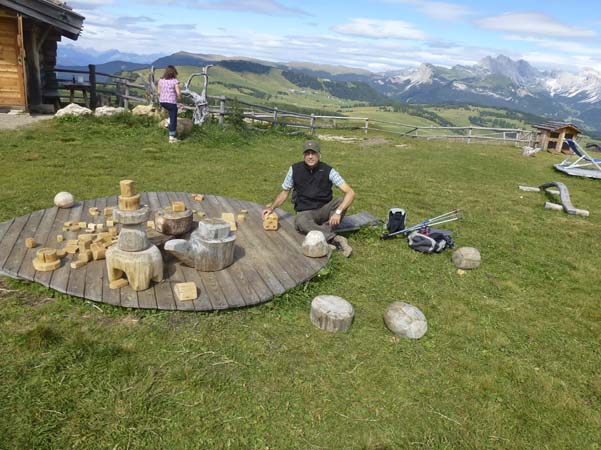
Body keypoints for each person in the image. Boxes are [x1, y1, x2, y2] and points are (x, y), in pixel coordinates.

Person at [261, 140, 355, 257]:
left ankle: (323, 235)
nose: (310, 157)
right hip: (305, 212)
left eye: (313, 153)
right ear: (303, 155)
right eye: (307, 153)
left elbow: (350, 192)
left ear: (319, 155)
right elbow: (284, 193)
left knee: (341, 201)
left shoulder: (329, 170)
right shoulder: (294, 169)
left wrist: (338, 212)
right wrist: (272, 208)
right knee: (300, 221)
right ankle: (334, 238)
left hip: (324, 209)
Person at [157, 65, 181, 143]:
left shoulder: (161, 80)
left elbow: (158, 92)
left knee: (170, 114)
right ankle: (172, 137)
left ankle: (168, 122)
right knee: (174, 119)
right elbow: (178, 93)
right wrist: (180, 99)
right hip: (171, 102)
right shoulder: (175, 81)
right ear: (174, 73)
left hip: (162, 102)